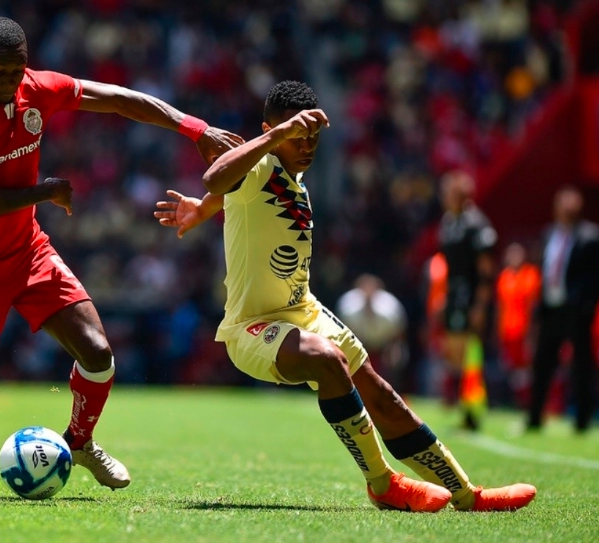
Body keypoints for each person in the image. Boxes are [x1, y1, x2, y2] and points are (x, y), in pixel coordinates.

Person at [0, 16, 243, 498]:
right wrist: (46, 190)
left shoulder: (36, 89)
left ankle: (79, 442)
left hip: (27, 253)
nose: (8, 82)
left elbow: (120, 99)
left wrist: (195, 128)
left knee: (99, 354)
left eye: (15, 71)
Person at [154, 80, 535, 512]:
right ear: (270, 129)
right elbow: (216, 175)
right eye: (298, 133)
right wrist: (273, 140)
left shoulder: (294, 183)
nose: (307, 144)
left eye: (313, 135)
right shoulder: (259, 164)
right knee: (326, 360)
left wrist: (203, 208)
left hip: (303, 311)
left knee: (382, 395)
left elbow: (225, 194)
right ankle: (382, 483)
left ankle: (469, 496)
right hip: (253, 326)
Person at [527, 186, 599, 434]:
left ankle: (582, 420)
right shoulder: (549, 234)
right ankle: (534, 417)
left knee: (581, 365)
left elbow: (593, 277)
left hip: (576, 311)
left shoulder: (590, 236)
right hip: (551, 308)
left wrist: (586, 305)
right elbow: (545, 272)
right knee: (542, 363)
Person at [437, 171, 498, 431]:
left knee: (470, 354)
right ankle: (465, 407)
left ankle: (474, 411)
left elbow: (486, 271)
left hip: (470, 297)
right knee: (455, 353)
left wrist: (480, 306)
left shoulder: (477, 225)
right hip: (454, 294)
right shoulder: (450, 222)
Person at [335, 274, 408, 392]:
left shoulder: (390, 310)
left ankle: (393, 392)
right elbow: (340, 334)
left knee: (398, 357)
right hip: (356, 342)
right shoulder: (348, 309)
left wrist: (394, 351)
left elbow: (398, 334)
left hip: (384, 344)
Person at [495, 242, 541, 409]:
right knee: (512, 369)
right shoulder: (504, 277)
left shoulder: (530, 275)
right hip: (507, 331)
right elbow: (500, 307)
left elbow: (533, 306)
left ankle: (528, 403)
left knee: (526, 369)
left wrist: (532, 332)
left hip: (524, 331)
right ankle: (518, 402)